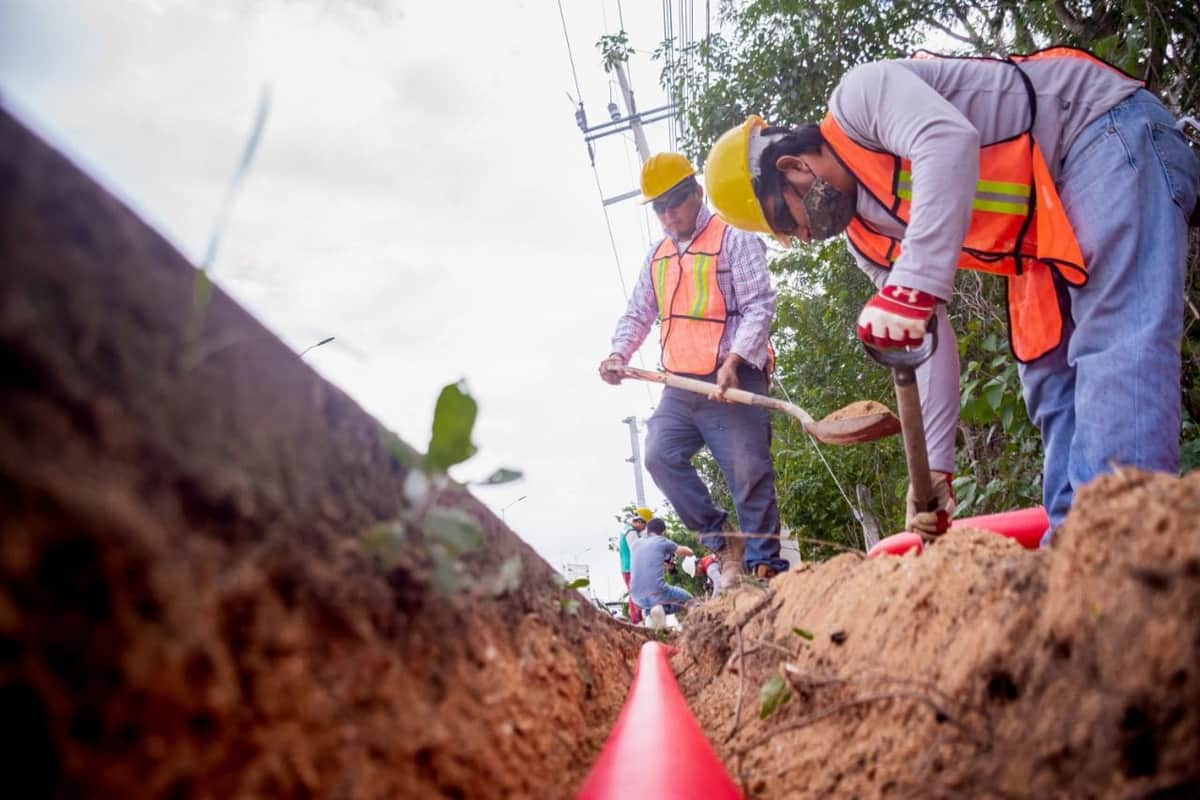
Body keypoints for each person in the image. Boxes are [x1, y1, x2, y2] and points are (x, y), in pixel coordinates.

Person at [704, 47, 1199, 545]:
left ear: (790, 165)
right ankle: (1074, 570)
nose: (807, 235)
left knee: (1116, 345)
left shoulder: (858, 99)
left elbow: (946, 139)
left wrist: (913, 283)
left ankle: (1122, 555)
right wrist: (935, 467)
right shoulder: (868, 240)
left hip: (1098, 131)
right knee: (1050, 380)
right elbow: (927, 341)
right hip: (1039, 236)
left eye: (788, 218)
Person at [599, 152, 790, 582]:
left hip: (733, 378)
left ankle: (765, 566)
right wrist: (618, 354)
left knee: (748, 471)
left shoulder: (733, 238)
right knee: (659, 456)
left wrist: (735, 359)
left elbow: (759, 305)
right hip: (682, 385)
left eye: (675, 202)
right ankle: (722, 539)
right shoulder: (658, 257)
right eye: (659, 208)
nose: (668, 215)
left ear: (697, 193)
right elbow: (638, 313)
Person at [629, 518, 695, 616]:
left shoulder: (635, 544)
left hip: (636, 598)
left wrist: (664, 564)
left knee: (652, 606)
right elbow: (689, 553)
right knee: (690, 600)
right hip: (657, 593)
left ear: (647, 530)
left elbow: (646, 564)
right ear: (663, 532)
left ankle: (650, 615)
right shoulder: (662, 541)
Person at [617, 507, 652, 624]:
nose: (644, 528)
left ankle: (638, 620)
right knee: (636, 595)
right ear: (640, 521)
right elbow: (637, 551)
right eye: (645, 525)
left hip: (627, 568)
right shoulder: (630, 532)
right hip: (631, 568)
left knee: (635, 595)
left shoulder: (626, 530)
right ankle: (637, 621)